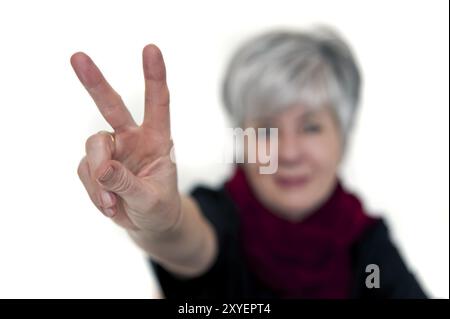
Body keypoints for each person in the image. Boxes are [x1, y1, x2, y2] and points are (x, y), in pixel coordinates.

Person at [71, 27, 427, 298]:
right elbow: (190, 241)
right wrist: (162, 223)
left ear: (343, 138)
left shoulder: (367, 246)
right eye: (267, 130)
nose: (287, 153)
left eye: (311, 127)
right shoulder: (223, 216)